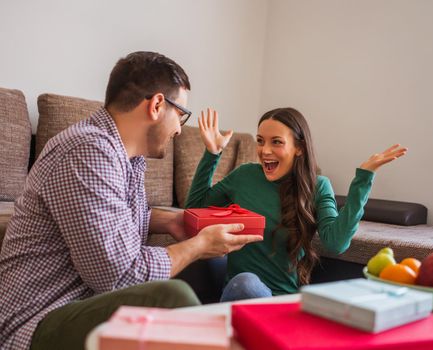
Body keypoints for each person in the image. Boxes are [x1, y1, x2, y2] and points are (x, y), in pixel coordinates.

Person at [0, 52, 262, 350]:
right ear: (157, 105)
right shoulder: (88, 151)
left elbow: (110, 218)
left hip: (81, 303)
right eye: (181, 115)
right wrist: (197, 246)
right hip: (36, 322)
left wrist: (170, 221)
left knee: (206, 270)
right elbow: (122, 275)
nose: (179, 129)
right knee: (170, 297)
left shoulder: (125, 158)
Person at [185, 107, 407, 302]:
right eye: (260, 141)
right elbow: (194, 209)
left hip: (281, 301)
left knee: (246, 283)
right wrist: (212, 154)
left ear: (299, 148)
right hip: (239, 292)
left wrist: (363, 180)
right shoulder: (244, 175)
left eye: (277, 142)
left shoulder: (318, 186)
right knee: (244, 283)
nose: (265, 150)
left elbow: (336, 243)